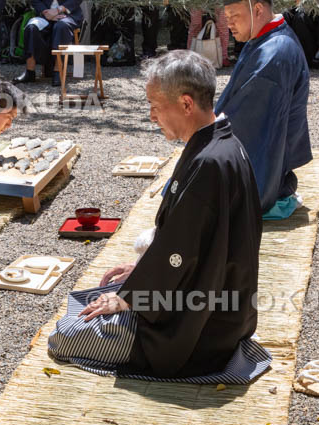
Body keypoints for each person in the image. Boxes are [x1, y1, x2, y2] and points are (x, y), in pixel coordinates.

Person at [47, 50, 261, 379]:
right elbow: (189, 247)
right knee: (97, 295)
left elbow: (180, 255)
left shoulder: (209, 162)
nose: (151, 116)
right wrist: (139, 271)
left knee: (64, 335)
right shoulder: (225, 144)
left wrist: (126, 300)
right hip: (223, 310)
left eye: (156, 107)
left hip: (196, 331)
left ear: (186, 104)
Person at [217, 0, 311, 217]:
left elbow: (250, 126)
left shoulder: (275, 51)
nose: (229, 24)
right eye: (226, 18)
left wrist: (208, 133)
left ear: (257, 9)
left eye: (234, 16)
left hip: (267, 168)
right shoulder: (267, 38)